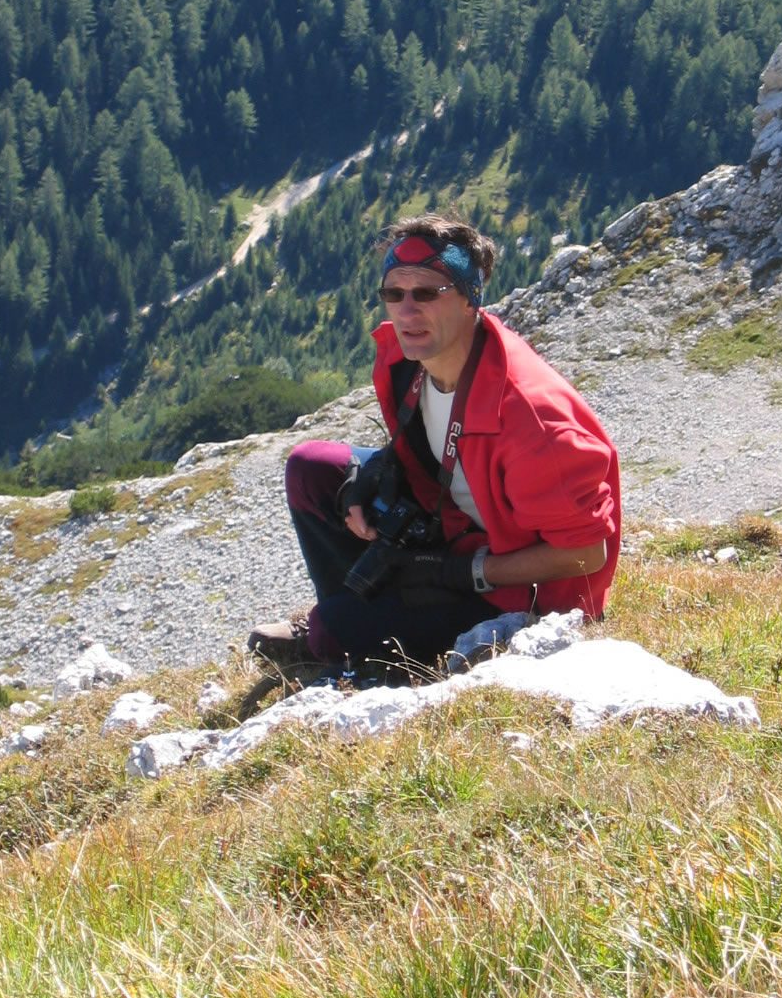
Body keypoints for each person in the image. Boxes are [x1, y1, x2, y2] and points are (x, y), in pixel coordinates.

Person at [253, 213, 620, 675]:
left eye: (427, 293)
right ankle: (352, 604)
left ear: (470, 299)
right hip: (453, 526)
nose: (406, 312)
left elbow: (585, 553)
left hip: (517, 592)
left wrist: (461, 571)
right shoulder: (411, 360)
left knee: (331, 633)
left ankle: (340, 631)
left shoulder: (534, 423)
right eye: (394, 294)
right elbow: (441, 453)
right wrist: (377, 471)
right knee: (312, 467)